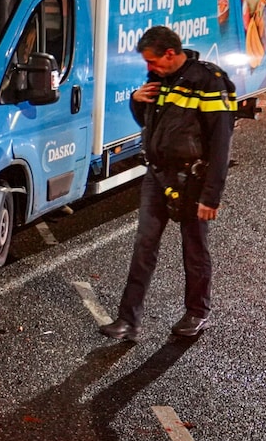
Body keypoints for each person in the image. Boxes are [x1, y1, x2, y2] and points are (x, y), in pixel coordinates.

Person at [100, 26, 236, 341]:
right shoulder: (158, 80)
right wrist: (136, 101)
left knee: (194, 248)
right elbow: (150, 123)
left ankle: (197, 312)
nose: (149, 68)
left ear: (170, 53)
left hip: (192, 180)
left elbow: (221, 144)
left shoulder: (209, 82)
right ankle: (128, 320)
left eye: (152, 61)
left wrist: (211, 196)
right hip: (158, 176)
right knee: (143, 246)